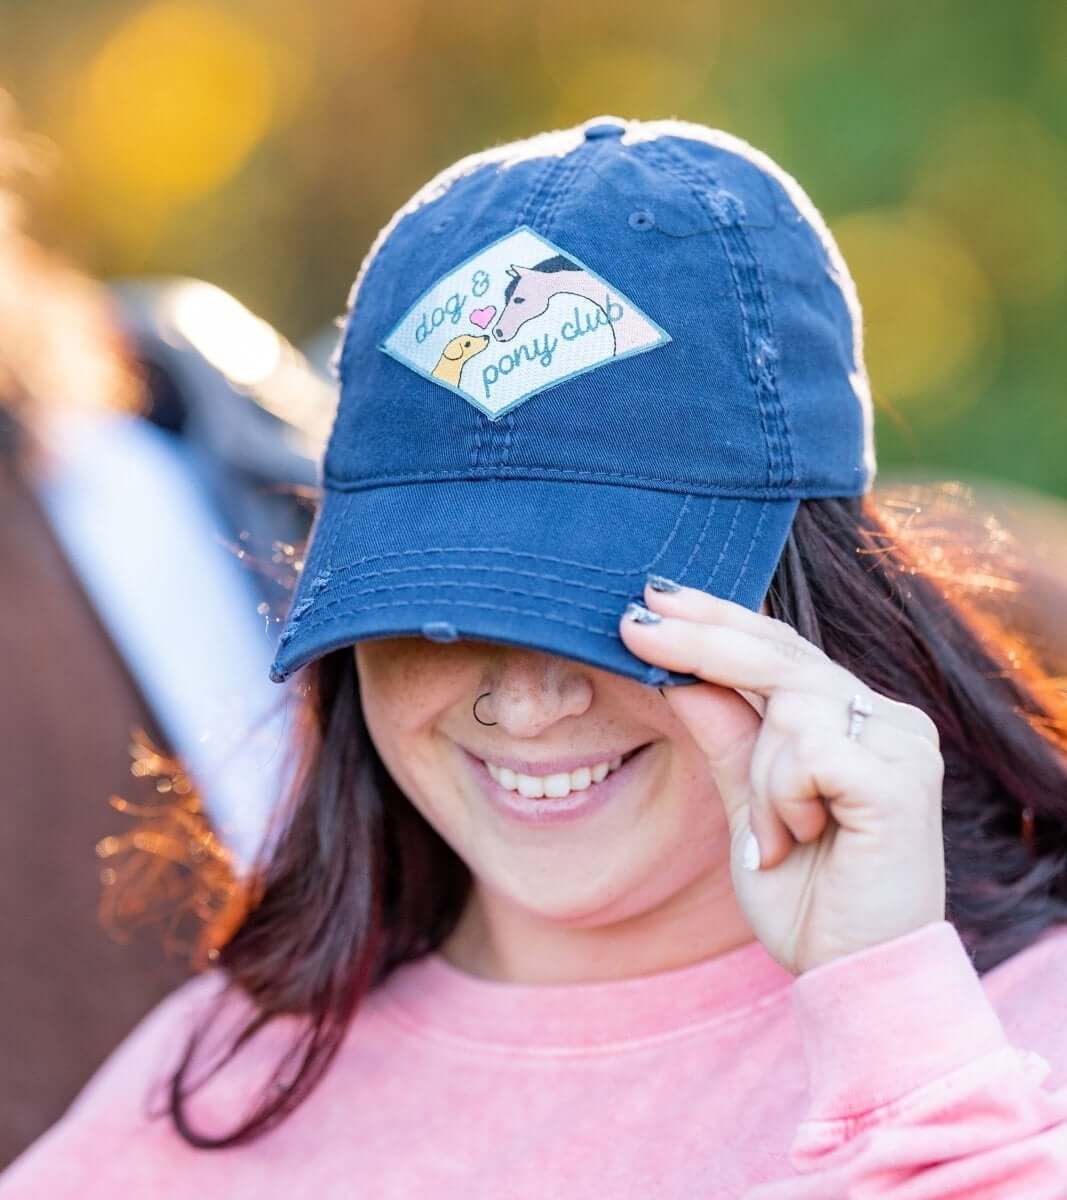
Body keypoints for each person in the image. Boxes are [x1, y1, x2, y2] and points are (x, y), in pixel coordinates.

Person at [4, 113, 1067, 1198]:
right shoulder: (207, 1102)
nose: (527, 701)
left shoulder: (1011, 1040)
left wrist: (885, 1015)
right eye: (436, 613)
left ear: (806, 588)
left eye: (618, 606)